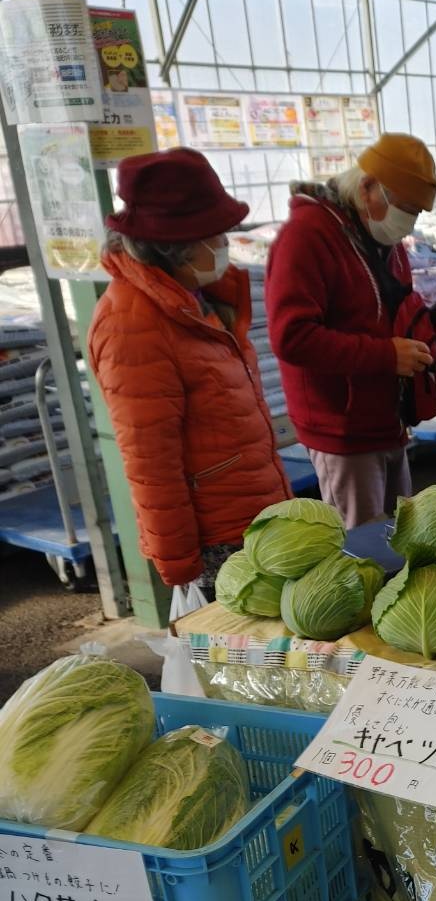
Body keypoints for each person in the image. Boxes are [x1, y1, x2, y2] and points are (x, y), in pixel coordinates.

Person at [87, 148, 291, 590]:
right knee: (235, 655)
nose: (224, 244)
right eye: (215, 235)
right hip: (217, 543)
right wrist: (181, 567)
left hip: (252, 522)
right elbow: (151, 462)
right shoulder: (130, 324)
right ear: (175, 248)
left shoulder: (196, 298)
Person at [265, 134, 436, 527]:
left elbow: (390, 313)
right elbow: (291, 337)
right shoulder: (306, 237)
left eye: (417, 213)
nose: (408, 223)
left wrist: (430, 333)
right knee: (364, 554)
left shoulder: (383, 240)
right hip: (342, 430)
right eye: (405, 208)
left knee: (404, 540)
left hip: (388, 421)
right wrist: (386, 356)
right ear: (368, 185)